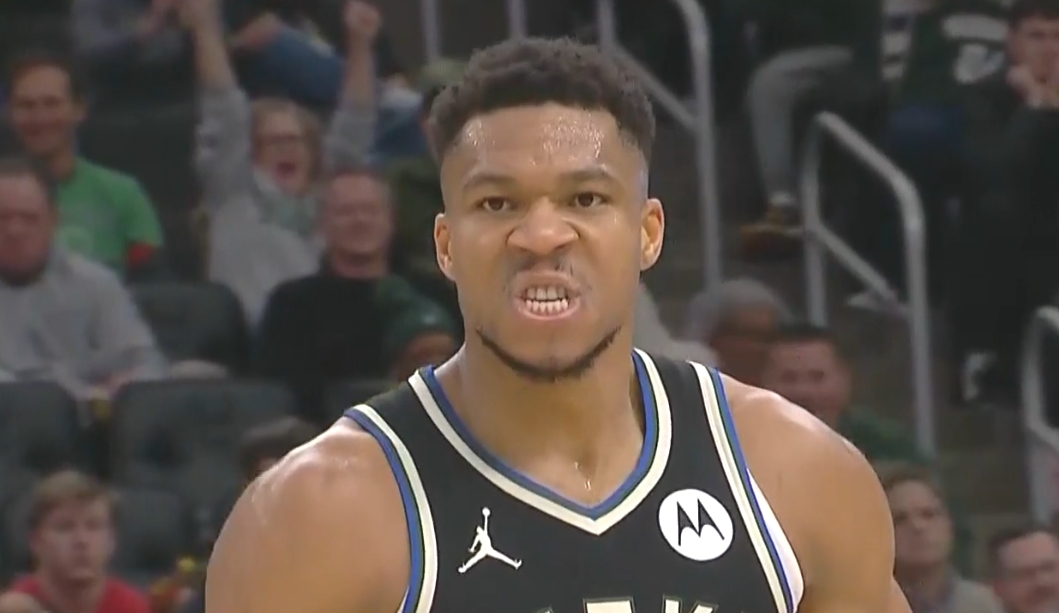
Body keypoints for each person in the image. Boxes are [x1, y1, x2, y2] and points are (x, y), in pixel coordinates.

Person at [206, 38, 912, 613]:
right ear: (446, 246)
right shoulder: (318, 513)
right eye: (497, 204)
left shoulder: (794, 472)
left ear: (647, 233)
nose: (542, 235)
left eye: (585, 198)